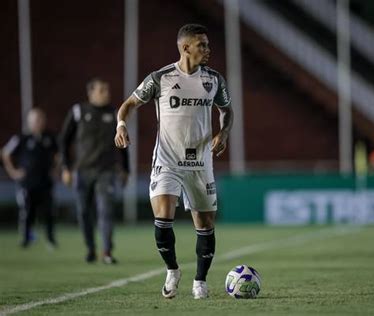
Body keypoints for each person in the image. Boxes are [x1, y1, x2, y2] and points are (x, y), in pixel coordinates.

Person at [114, 24, 233, 299]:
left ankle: (200, 281)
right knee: (163, 217)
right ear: (185, 47)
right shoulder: (160, 78)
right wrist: (121, 125)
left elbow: (227, 110)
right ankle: (172, 270)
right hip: (167, 160)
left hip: (201, 162)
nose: (208, 49)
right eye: (202, 45)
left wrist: (224, 132)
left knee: (204, 225)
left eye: (207, 44)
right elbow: (129, 104)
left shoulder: (214, 79)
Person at [60, 78, 129, 264]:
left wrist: (126, 169)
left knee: (105, 210)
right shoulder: (78, 111)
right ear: (90, 93)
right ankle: (90, 248)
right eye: (102, 90)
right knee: (83, 212)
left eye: (107, 89)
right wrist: (66, 168)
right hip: (82, 171)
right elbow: (64, 141)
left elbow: (123, 143)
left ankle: (106, 251)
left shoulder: (114, 113)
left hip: (106, 171)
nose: (106, 93)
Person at [2, 108, 59, 248]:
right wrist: (13, 172)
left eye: (41, 119)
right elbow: (5, 153)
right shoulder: (21, 138)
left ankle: (50, 239)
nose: (38, 122)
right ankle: (26, 238)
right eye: (35, 120)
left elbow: (58, 154)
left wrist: (56, 169)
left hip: (45, 181)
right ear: (29, 122)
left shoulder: (49, 137)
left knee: (49, 211)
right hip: (27, 183)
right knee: (27, 211)